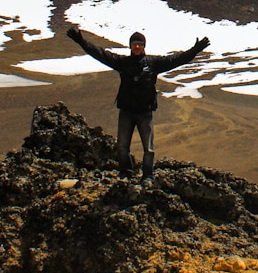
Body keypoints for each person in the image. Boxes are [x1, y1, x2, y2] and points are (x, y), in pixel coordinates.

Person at [66, 27, 210, 181]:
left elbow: (176, 60)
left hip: (145, 113)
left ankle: (148, 176)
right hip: (126, 112)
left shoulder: (153, 63)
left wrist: (195, 50)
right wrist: (82, 42)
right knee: (122, 147)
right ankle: (125, 174)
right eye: (134, 44)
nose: (136, 46)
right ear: (130, 46)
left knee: (149, 149)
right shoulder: (123, 63)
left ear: (143, 46)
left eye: (139, 44)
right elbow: (101, 54)